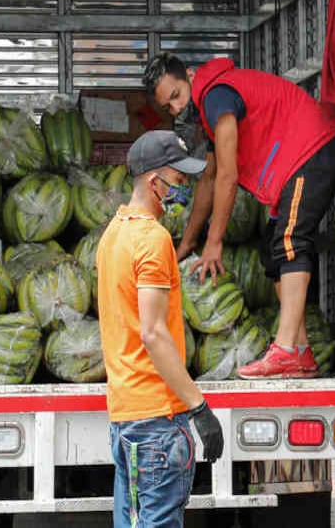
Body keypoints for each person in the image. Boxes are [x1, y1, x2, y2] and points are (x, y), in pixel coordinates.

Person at [143, 53, 335, 379]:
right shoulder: (209, 108)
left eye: (176, 96)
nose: (177, 109)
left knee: (290, 240)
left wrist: (215, 243)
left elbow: (227, 176)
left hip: (313, 148)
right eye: (168, 107)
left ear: (190, 76)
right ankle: (302, 352)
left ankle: (286, 349)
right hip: (295, 161)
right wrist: (189, 243)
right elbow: (208, 179)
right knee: (271, 250)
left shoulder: (217, 94)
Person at [96, 130, 225, 528]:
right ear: (155, 183)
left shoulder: (113, 234)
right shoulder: (152, 240)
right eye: (180, 180)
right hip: (156, 421)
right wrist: (198, 407)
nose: (184, 189)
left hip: (126, 417)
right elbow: (153, 332)